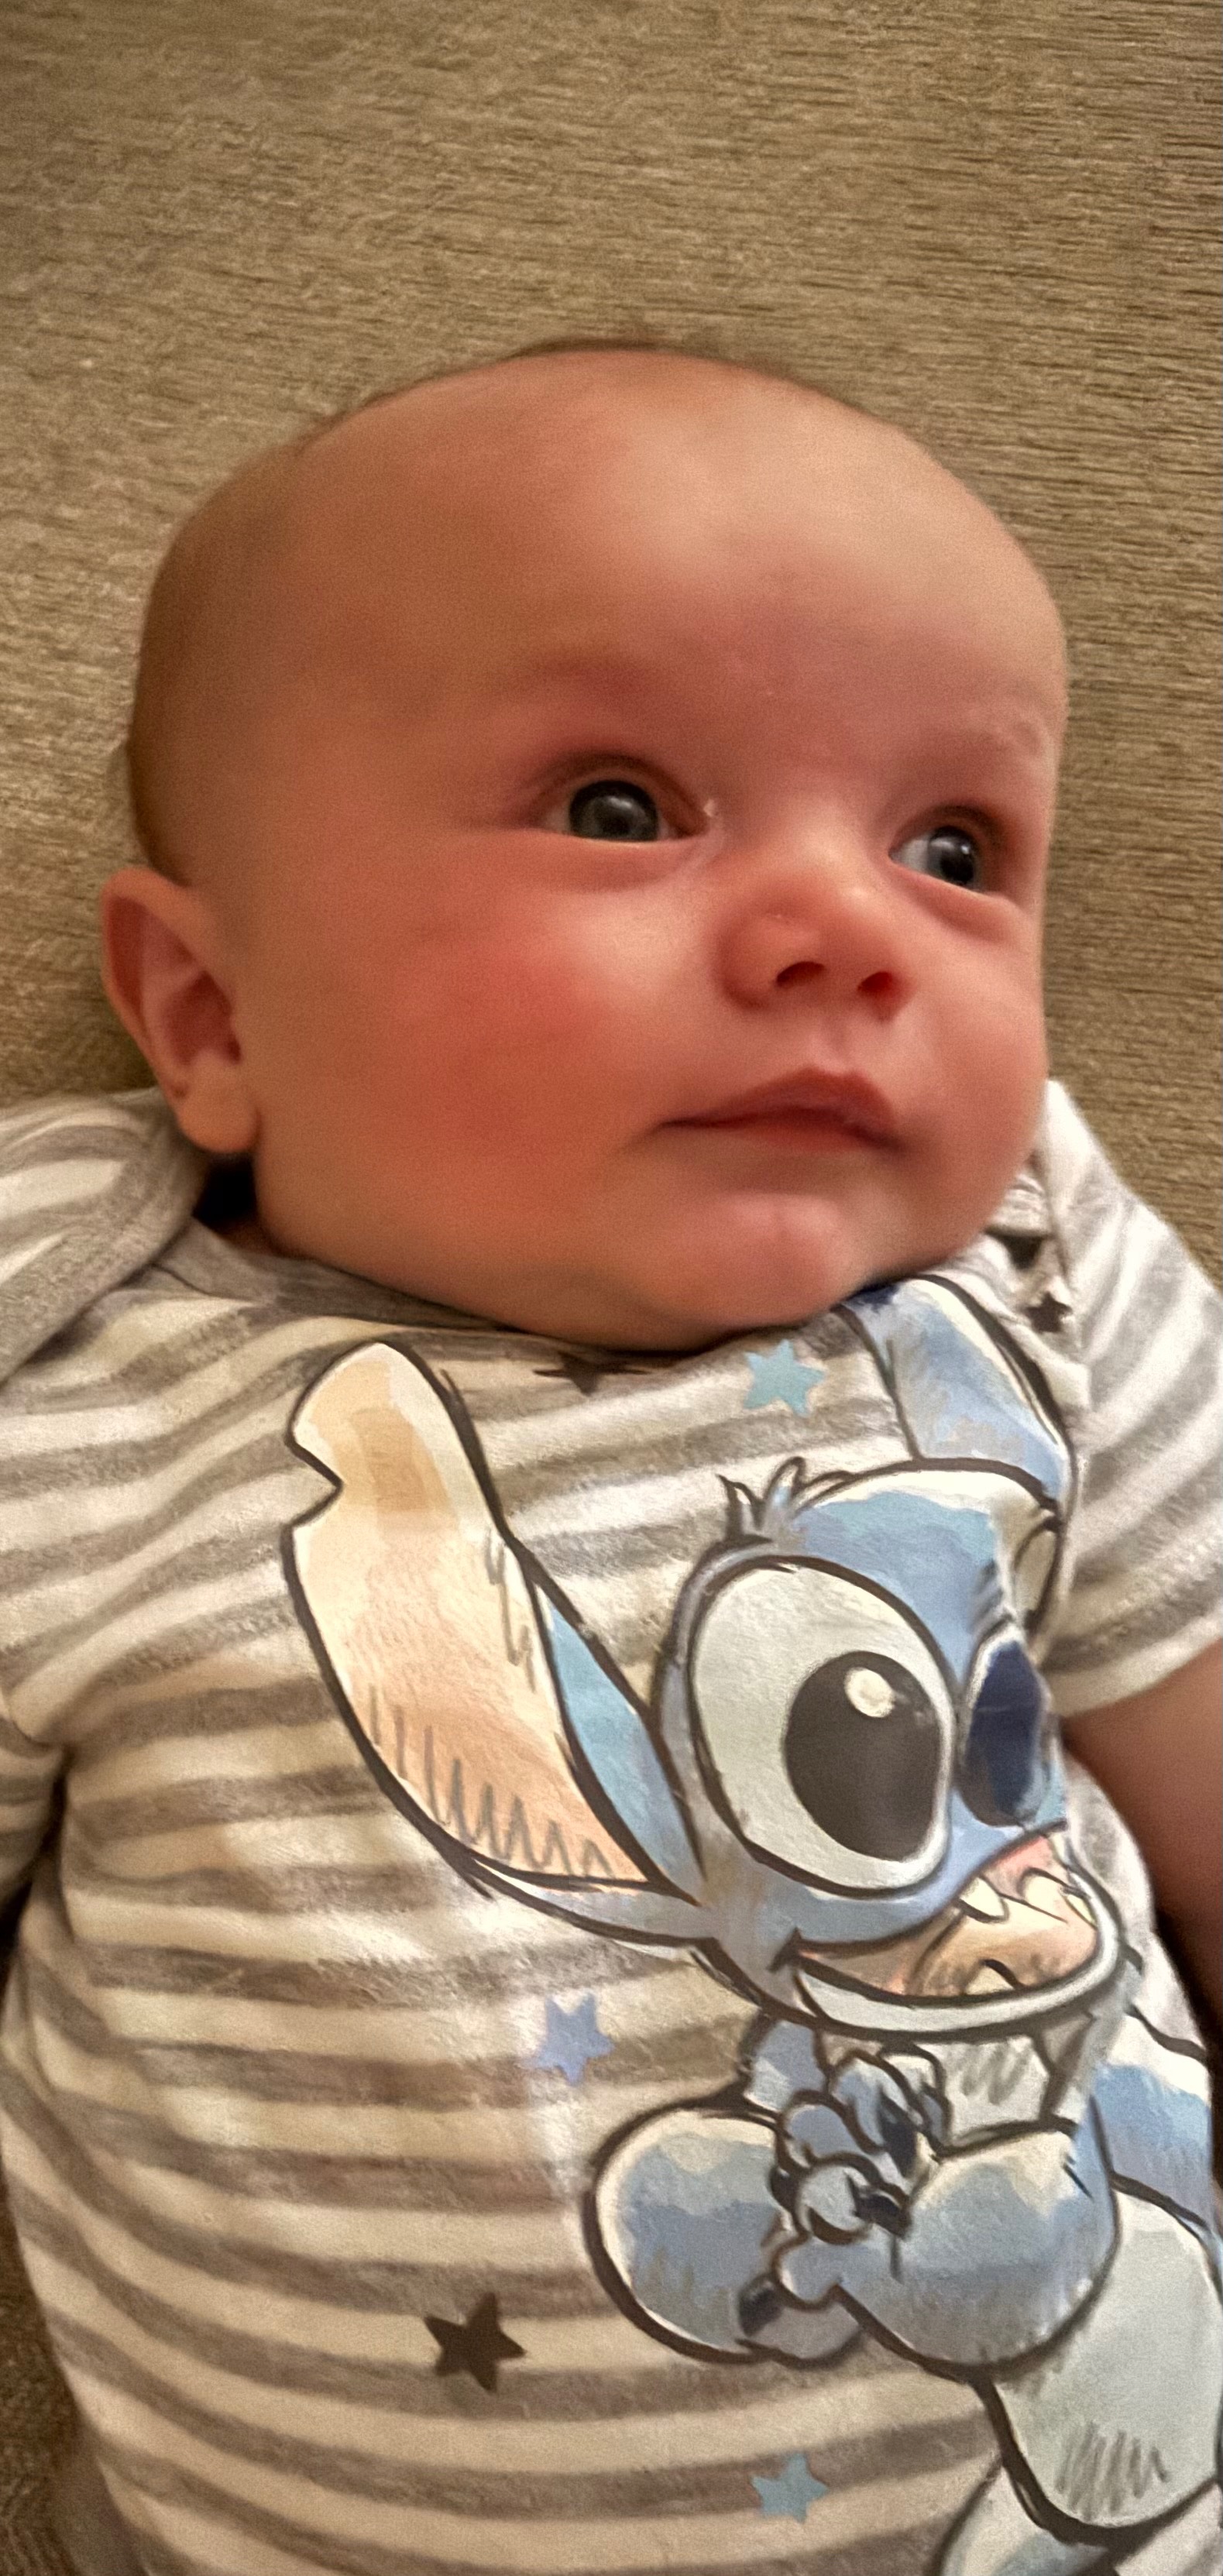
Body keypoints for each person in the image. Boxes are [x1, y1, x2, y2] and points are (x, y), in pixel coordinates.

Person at [0, 340, 1218, 2576]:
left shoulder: (1032, 1274)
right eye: (619, 808)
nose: (846, 929)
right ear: (211, 1016)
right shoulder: (72, 1396)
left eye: (955, 850)